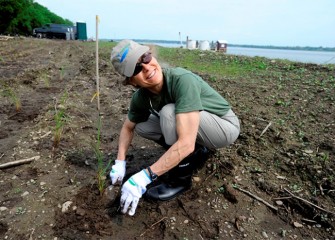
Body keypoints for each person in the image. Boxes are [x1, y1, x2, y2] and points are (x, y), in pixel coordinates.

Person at [109, 39, 240, 216]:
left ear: (151, 55)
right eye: (136, 69)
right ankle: (195, 154)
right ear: (131, 82)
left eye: (146, 57)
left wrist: (145, 176)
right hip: (196, 126)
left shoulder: (181, 79)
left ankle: (180, 179)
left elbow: (186, 142)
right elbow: (128, 128)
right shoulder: (141, 98)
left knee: (169, 112)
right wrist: (120, 162)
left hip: (224, 127)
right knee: (142, 125)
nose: (147, 67)